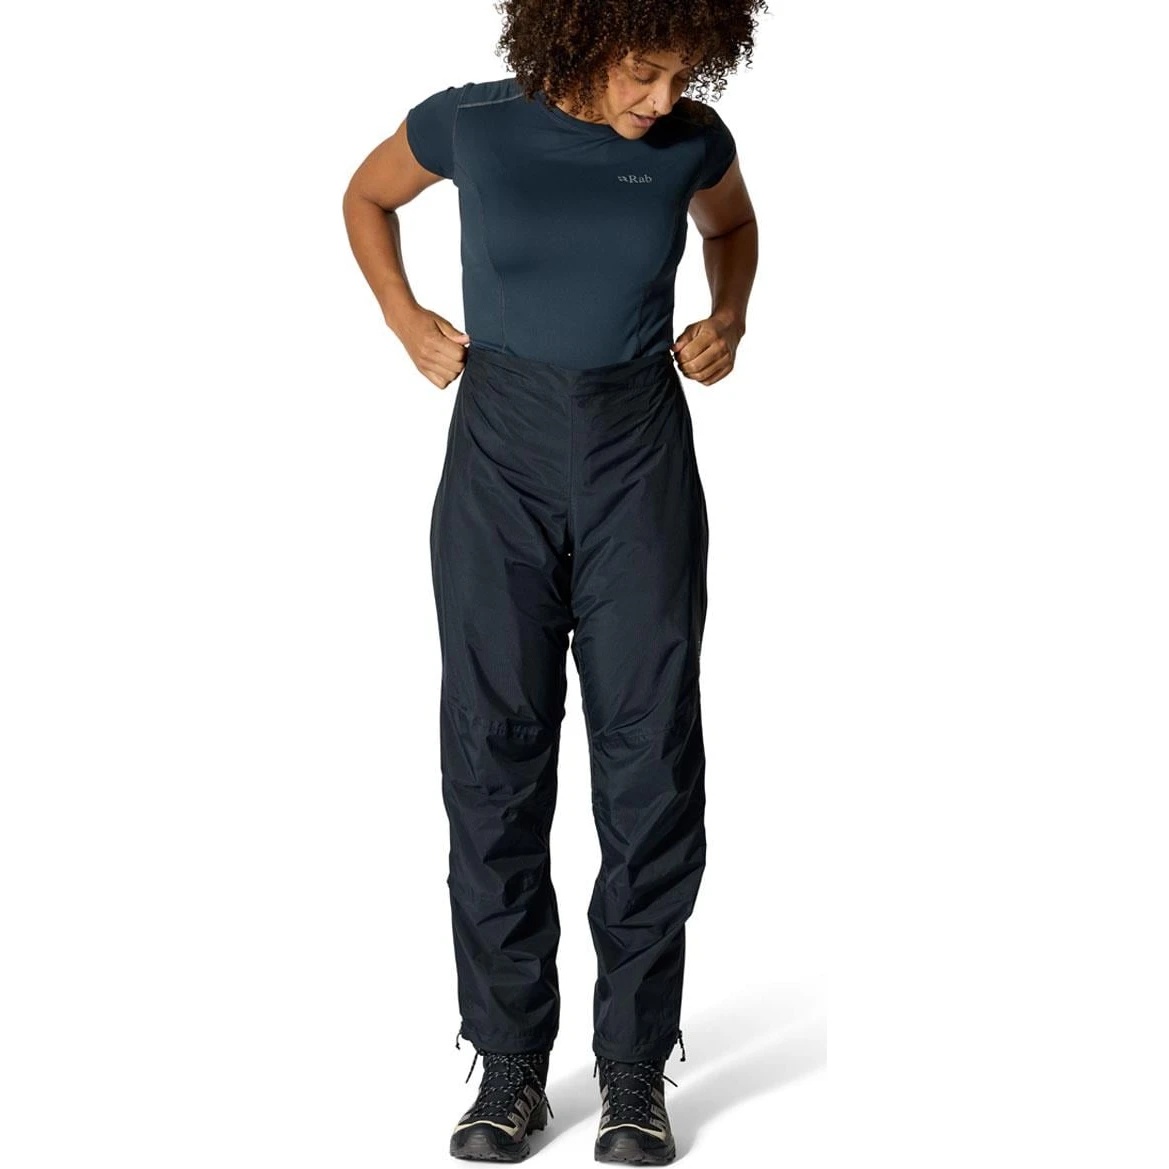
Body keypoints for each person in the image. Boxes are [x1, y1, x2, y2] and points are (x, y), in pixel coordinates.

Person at [342, 2, 761, 1160]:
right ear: (578, 39)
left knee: (650, 755)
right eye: (643, 73)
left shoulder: (690, 141)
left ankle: (631, 1067)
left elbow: (732, 223)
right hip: (500, 448)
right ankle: (510, 1063)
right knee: (493, 750)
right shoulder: (470, 126)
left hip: (638, 448)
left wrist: (728, 314)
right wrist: (402, 316)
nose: (663, 101)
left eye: (682, 75)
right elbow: (366, 196)